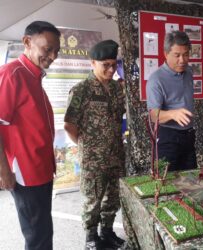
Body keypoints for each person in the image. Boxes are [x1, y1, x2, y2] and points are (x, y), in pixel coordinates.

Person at [0, 21, 60, 250]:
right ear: (27, 42)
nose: (53, 56)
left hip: (41, 168)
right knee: (37, 235)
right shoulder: (11, 74)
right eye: (48, 49)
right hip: (26, 172)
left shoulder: (34, 77)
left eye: (56, 51)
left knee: (43, 230)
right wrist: (3, 169)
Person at [64, 40, 126, 250]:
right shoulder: (81, 90)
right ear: (92, 63)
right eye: (105, 65)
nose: (111, 69)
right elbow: (69, 125)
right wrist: (87, 146)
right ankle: (91, 238)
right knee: (93, 201)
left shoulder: (118, 88)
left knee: (112, 198)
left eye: (113, 64)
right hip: (93, 159)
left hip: (116, 154)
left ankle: (106, 233)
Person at [147, 31, 197, 171]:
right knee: (167, 183)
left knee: (191, 180)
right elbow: (153, 115)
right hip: (168, 138)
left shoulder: (188, 72)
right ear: (166, 54)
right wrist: (172, 114)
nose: (182, 60)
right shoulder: (156, 79)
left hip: (188, 135)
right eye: (177, 55)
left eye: (186, 54)